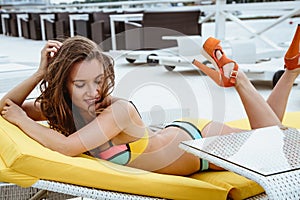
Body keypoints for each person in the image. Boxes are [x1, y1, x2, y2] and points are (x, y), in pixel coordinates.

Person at [0, 23, 299, 176]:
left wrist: (22, 119)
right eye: (80, 84)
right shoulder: (62, 110)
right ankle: (291, 70)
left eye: (99, 81)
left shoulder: (116, 111)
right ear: (64, 87)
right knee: (269, 137)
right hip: (178, 136)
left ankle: (242, 81)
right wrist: (41, 72)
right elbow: (5, 107)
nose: (93, 92)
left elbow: (65, 147)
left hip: (199, 146)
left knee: (275, 144)